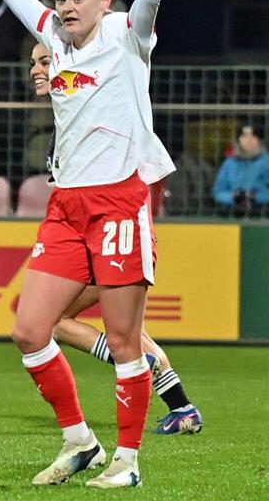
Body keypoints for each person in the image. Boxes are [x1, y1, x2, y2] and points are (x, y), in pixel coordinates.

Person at [0, 0, 206, 487]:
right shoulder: (53, 43)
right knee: (29, 329)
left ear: (107, 0)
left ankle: (129, 462)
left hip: (119, 202)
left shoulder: (128, 36)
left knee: (123, 339)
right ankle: (79, 441)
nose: (65, 6)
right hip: (65, 207)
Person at [29, 43, 204, 436]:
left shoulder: (99, 109)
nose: (36, 70)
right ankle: (180, 405)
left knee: (58, 321)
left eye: (44, 61)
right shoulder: (68, 121)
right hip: (102, 232)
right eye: (32, 63)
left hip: (111, 230)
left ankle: (143, 375)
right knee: (118, 327)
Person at [212, 124, 269, 217]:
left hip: (262, 214)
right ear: (239, 140)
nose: (248, 140)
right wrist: (233, 197)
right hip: (231, 214)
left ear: (259, 140)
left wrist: (255, 197)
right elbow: (218, 192)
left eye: (252, 137)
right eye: (244, 136)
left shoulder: (266, 162)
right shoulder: (229, 163)